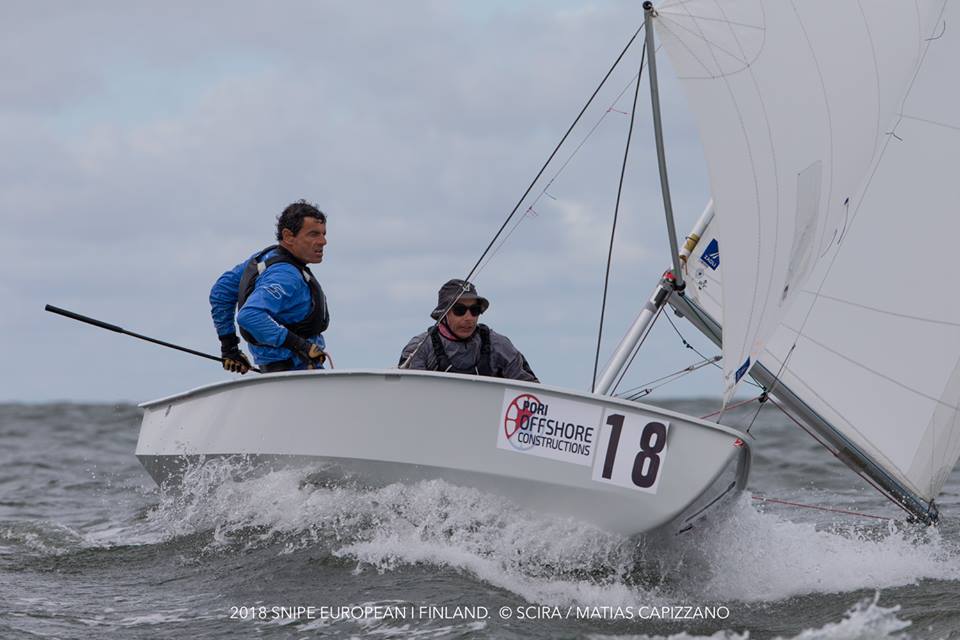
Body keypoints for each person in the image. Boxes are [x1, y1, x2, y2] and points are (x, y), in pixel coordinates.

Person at [209, 200, 330, 374]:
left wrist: (229, 347)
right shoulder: (286, 275)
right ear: (288, 236)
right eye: (313, 234)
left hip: (274, 375)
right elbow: (249, 315)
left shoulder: (264, 259)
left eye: (323, 234)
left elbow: (221, 291)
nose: (323, 241)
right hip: (299, 375)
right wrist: (300, 346)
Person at [399, 279, 538, 382]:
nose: (469, 317)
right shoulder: (419, 348)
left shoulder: (500, 346)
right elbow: (409, 394)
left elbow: (531, 391)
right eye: (460, 310)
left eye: (474, 310)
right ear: (443, 314)